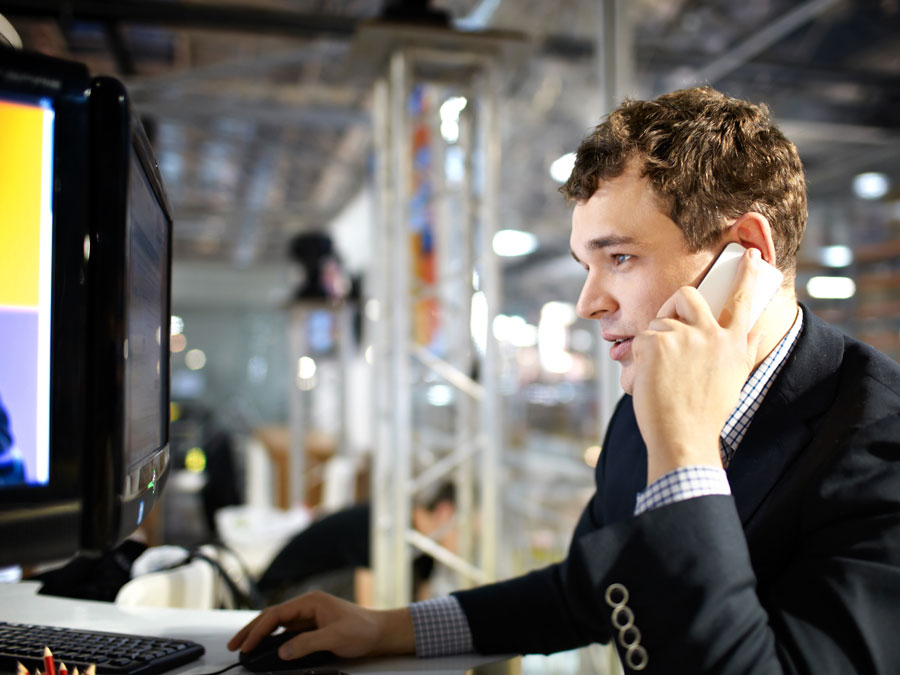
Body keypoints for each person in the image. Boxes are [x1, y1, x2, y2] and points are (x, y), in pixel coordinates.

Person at [228, 86, 900, 673]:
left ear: (745, 253)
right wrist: (386, 627)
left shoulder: (878, 445)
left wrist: (685, 449)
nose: (589, 302)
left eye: (621, 258)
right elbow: (585, 590)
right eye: (587, 264)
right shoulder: (643, 408)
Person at [257, 483, 456, 605]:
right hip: (280, 597)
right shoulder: (386, 525)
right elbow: (369, 610)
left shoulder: (426, 550)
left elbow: (422, 608)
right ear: (445, 511)